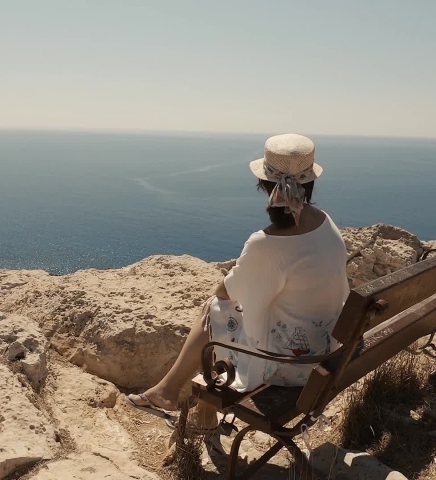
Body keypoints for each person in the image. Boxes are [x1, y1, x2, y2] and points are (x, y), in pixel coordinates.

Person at [125, 133, 350, 432]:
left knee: (215, 309)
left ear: (265, 185)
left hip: (292, 367)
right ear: (309, 183)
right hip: (329, 352)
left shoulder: (266, 243)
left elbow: (225, 291)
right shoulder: (325, 222)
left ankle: (167, 393)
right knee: (233, 314)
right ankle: (198, 415)